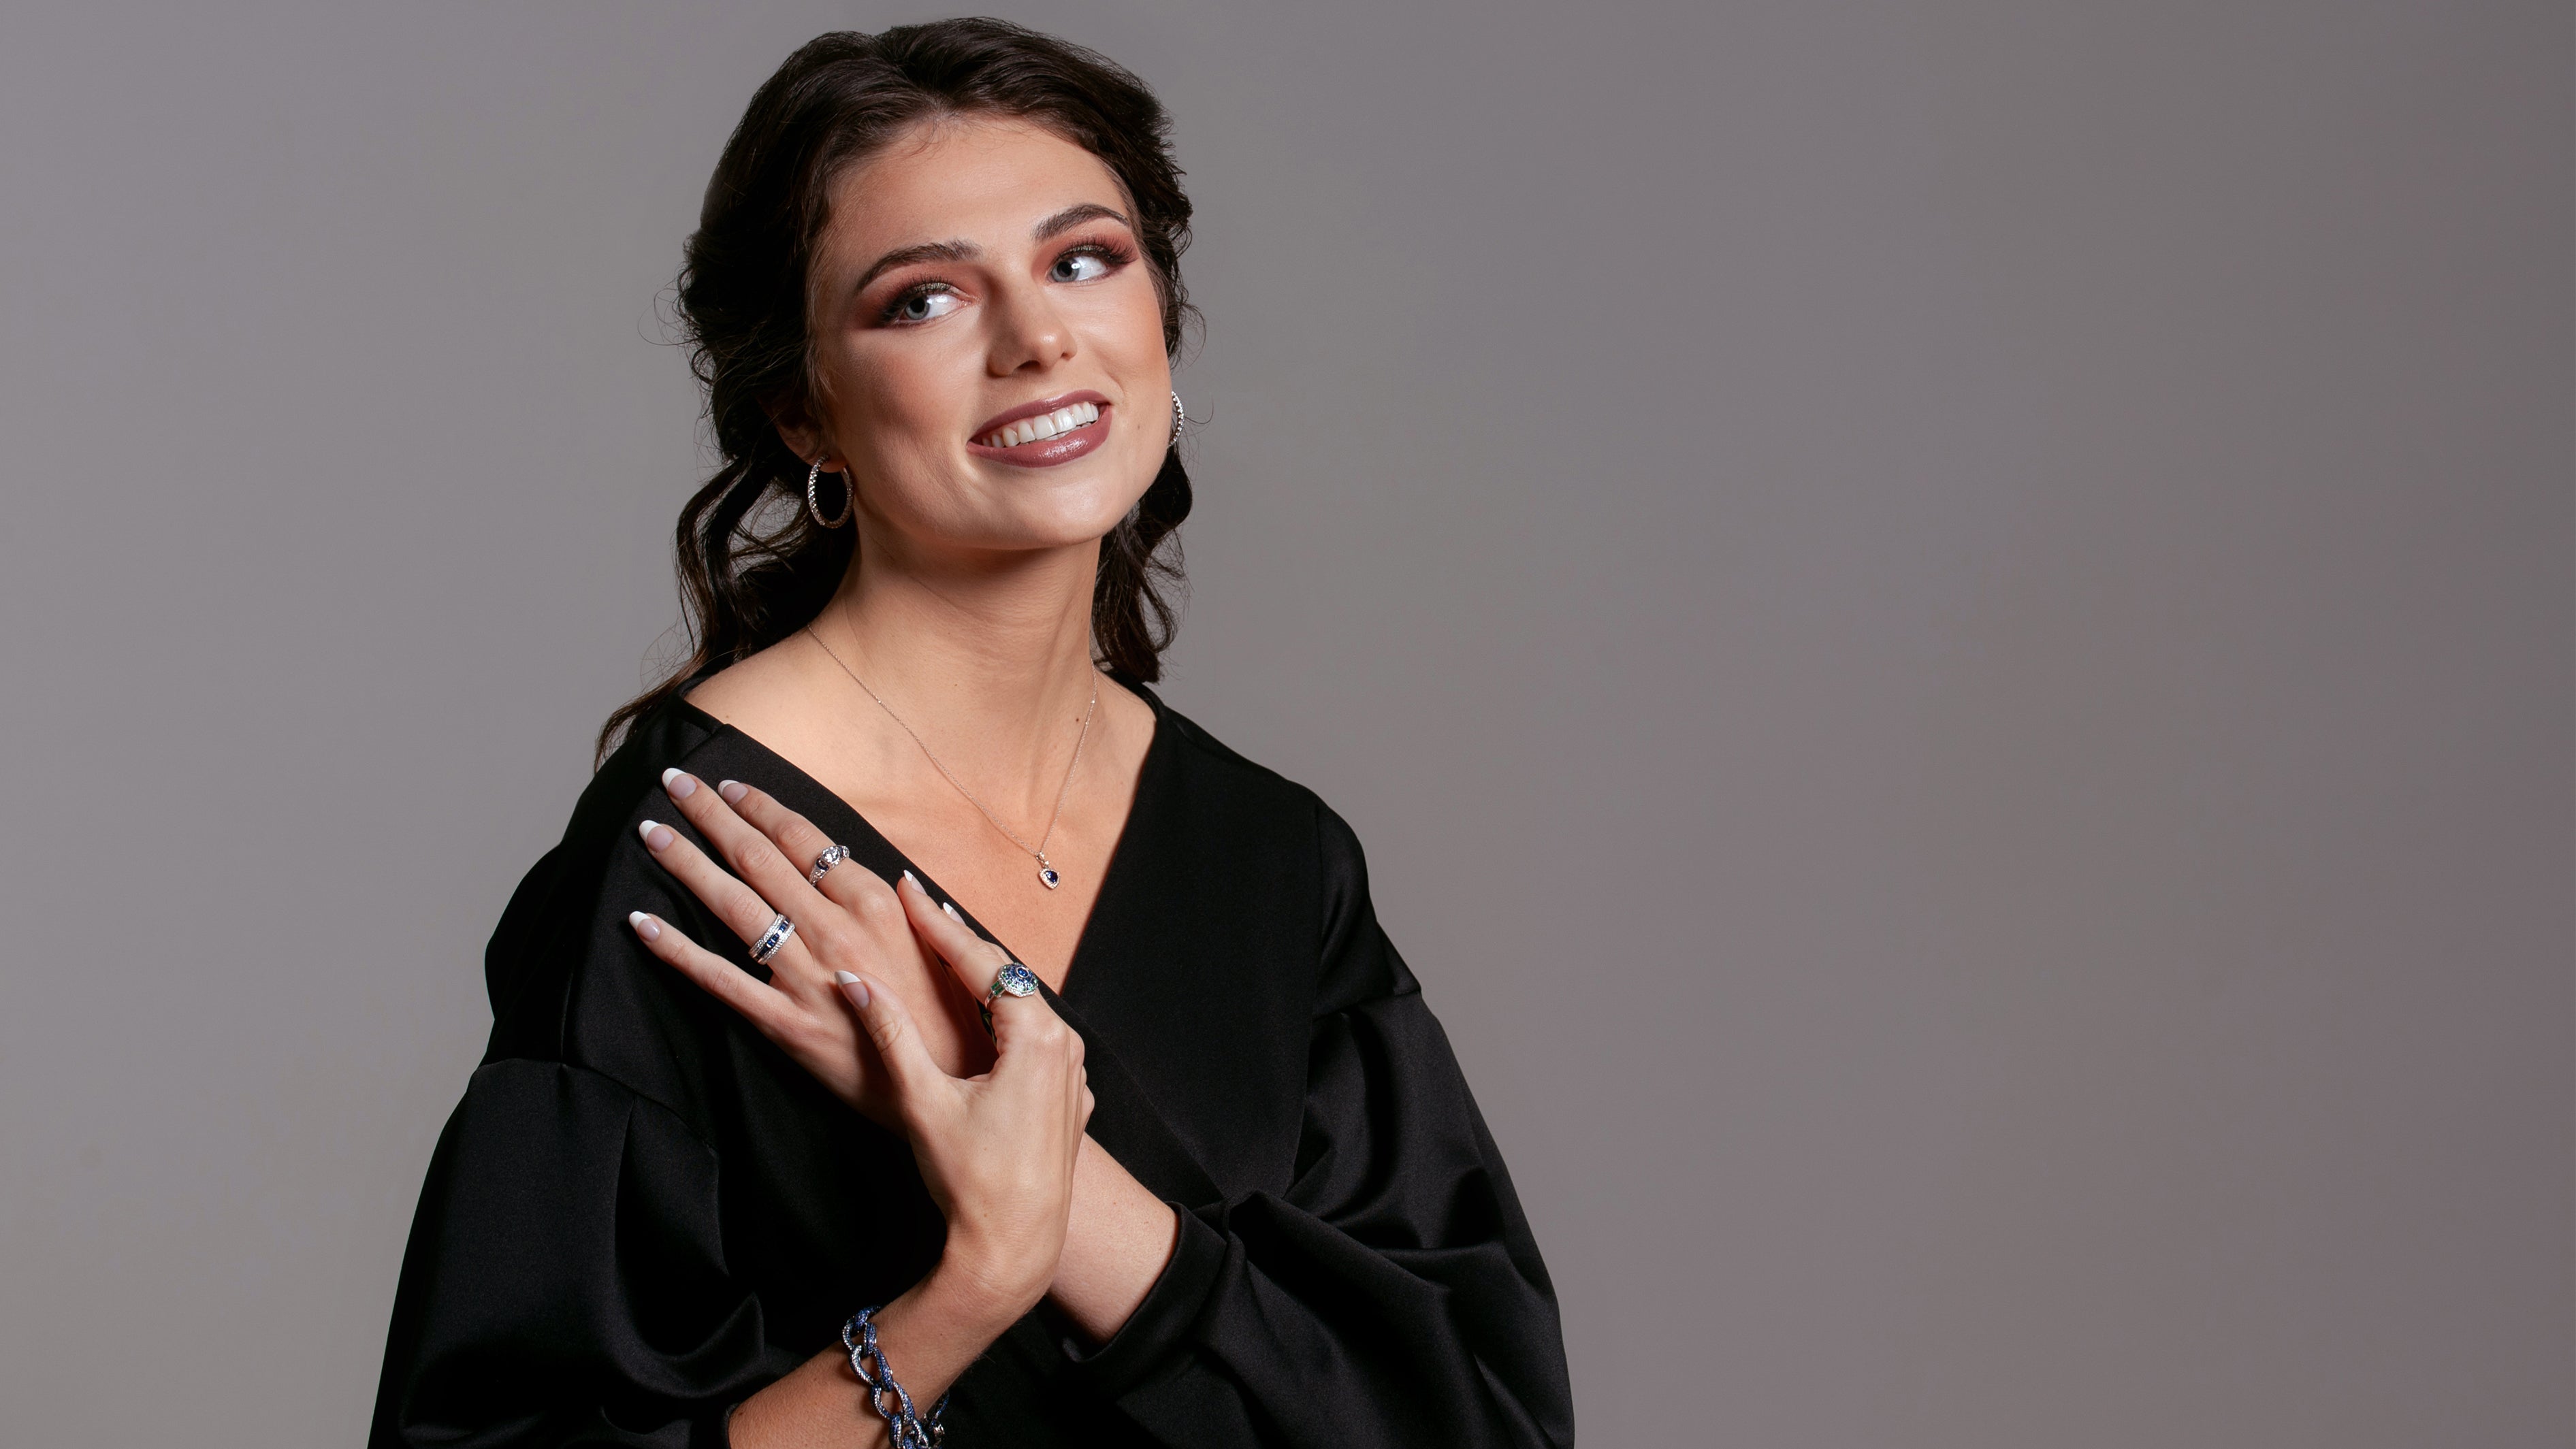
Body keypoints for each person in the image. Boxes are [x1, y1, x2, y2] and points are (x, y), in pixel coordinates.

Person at [369, 19, 1573, 1448]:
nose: (1036, 337)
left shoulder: (1267, 857)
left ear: (1159, 314)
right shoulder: (702, 867)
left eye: (1083, 260)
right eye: (923, 300)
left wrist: (1063, 1209)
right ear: (804, 412)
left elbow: (1475, 1424)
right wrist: (969, 1290)